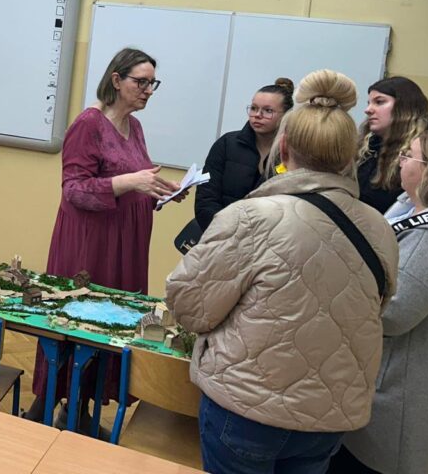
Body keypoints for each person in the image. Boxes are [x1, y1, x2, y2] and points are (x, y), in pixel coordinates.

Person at [166, 69, 399, 474]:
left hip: (247, 408)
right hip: (329, 416)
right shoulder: (380, 227)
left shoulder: (251, 217)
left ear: (284, 145)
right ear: (352, 155)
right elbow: (376, 308)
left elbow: (190, 307)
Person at [24, 47, 182, 426]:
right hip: (91, 245)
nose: (148, 91)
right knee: (79, 325)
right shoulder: (88, 124)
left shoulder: (135, 127)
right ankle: (44, 411)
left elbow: (135, 182)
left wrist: (159, 192)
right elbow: (74, 190)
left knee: (112, 327)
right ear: (116, 80)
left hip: (126, 244)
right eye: (140, 82)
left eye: (153, 83)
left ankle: (79, 410)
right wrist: (131, 182)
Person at [332, 127, 428, 474]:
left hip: (404, 398)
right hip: (396, 382)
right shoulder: (410, 206)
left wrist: (341, 283)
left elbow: (394, 314)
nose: (401, 160)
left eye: (410, 155)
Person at [193, 77, 294, 231]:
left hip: (269, 239)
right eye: (253, 108)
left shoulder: (294, 152)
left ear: (286, 115)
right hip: (221, 235)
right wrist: (224, 233)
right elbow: (206, 199)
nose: (257, 115)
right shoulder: (227, 144)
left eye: (268, 111)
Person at [356, 76, 428, 213]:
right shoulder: (368, 145)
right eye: (369, 103)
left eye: (379, 102)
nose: (368, 110)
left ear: (404, 106)